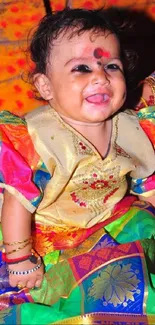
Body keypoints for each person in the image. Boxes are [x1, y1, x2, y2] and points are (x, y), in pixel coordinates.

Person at [0, 7, 155, 325]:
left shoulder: (130, 127)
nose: (101, 76)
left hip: (113, 220)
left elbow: (147, 182)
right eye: (82, 68)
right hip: (46, 235)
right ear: (45, 87)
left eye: (111, 66)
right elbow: (18, 202)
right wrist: (19, 258)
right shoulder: (38, 138)